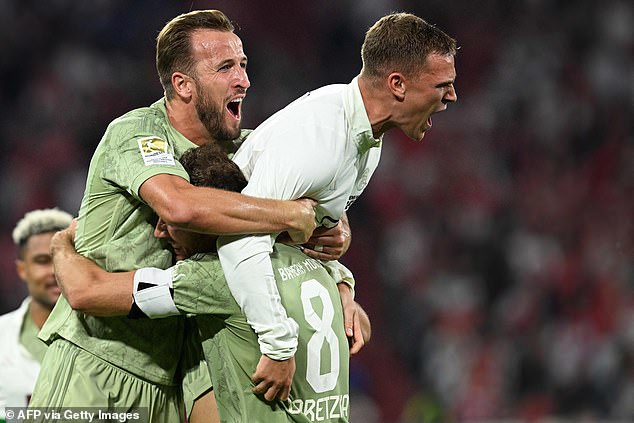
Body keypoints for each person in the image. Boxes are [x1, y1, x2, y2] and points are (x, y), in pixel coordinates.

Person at [29, 10, 320, 422]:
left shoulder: (248, 149)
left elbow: (325, 212)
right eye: (225, 68)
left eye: (243, 65)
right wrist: (289, 214)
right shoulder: (136, 132)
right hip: (97, 363)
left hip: (175, 381)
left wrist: (339, 264)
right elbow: (179, 206)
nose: (243, 80)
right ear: (183, 85)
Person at [217, 11, 458, 396]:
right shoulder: (321, 137)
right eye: (442, 85)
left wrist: (340, 284)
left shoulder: (366, 141)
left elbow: (305, 240)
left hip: (251, 304)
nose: (451, 96)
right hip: (222, 312)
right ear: (397, 84)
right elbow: (238, 243)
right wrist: (278, 346)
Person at [50, 144, 371, 422]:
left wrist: (61, 244)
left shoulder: (215, 275)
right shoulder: (310, 259)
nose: (160, 231)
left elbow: (86, 292)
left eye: (174, 220)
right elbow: (358, 321)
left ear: (207, 218)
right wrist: (347, 290)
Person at [0, 208, 73, 422]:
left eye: (62, 258)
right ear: (22, 270)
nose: (54, 271)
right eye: (42, 260)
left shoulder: (109, 334)